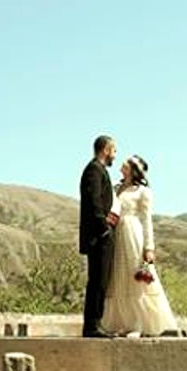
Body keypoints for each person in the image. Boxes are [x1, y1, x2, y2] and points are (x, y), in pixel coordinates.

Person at [100, 155, 180, 337]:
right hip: (116, 233)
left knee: (134, 277)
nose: (122, 164)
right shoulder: (116, 187)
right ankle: (121, 322)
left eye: (127, 163)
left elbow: (146, 219)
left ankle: (138, 324)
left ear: (133, 169)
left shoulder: (142, 191)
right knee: (117, 277)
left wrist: (149, 247)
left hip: (132, 233)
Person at [78, 134, 117, 338]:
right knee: (97, 281)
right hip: (98, 237)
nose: (115, 156)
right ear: (106, 150)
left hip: (101, 235)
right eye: (114, 151)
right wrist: (104, 228)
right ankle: (92, 325)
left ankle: (96, 323)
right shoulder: (94, 170)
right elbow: (93, 203)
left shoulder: (98, 170)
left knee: (101, 280)